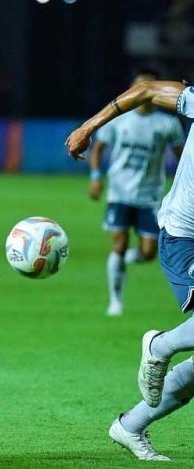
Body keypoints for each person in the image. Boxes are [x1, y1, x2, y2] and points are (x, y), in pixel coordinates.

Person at [67, 78, 194, 461]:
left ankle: (130, 426)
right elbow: (149, 90)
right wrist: (89, 126)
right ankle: (159, 345)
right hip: (184, 235)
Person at [87, 69, 184, 317]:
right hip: (119, 193)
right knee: (118, 244)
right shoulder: (119, 120)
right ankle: (115, 301)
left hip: (149, 196)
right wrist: (97, 177)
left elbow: (182, 157)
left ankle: (129, 259)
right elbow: (98, 148)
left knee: (149, 252)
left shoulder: (167, 123)